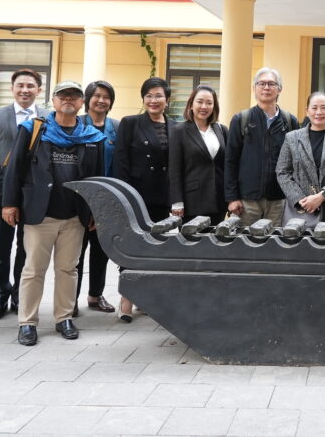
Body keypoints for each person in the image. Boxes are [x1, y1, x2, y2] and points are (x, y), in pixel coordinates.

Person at [2, 81, 105, 346]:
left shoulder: (92, 137)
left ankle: (64, 318)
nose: (68, 99)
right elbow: (15, 168)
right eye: (63, 95)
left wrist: (95, 211)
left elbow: (97, 178)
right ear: (53, 100)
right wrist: (9, 203)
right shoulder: (33, 130)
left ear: (81, 102)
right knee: (33, 270)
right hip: (40, 214)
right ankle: (27, 322)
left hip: (74, 216)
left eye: (74, 96)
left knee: (68, 269)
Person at [0, 68, 45, 321]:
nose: (25, 90)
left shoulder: (47, 117)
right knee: (0, 247)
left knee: (27, 247)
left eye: (30, 86)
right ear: (12, 89)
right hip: (2, 191)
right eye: (20, 85)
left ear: (39, 90)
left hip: (33, 192)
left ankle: (20, 295)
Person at [113, 77, 173, 322]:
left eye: (158, 96)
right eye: (148, 95)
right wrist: (123, 195)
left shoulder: (176, 126)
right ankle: (126, 299)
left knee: (155, 248)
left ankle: (145, 298)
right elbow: (120, 161)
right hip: (137, 196)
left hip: (163, 197)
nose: (153, 100)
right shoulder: (131, 123)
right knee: (133, 246)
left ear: (167, 100)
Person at [224, 68, 300, 228]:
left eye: (271, 84)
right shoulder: (241, 119)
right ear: (254, 88)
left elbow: (295, 162)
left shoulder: (290, 121)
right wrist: (232, 197)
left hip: (279, 199)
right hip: (247, 200)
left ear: (279, 89)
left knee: (275, 241)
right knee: (245, 240)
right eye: (262, 83)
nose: (266, 87)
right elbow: (231, 160)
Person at [276, 91, 325, 229]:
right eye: (314, 108)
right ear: (307, 111)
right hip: (301, 209)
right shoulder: (292, 138)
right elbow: (282, 171)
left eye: (324, 107)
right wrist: (300, 199)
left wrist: (322, 195)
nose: (319, 112)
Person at [73, 80, 119, 317]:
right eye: (97, 96)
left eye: (106, 97)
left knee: (101, 250)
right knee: (75, 252)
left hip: (107, 199)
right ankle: (70, 298)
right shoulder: (76, 124)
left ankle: (95, 295)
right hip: (79, 200)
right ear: (87, 99)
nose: (101, 100)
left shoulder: (116, 127)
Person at [169, 85, 228, 222]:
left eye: (209, 103)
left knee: (217, 236)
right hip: (192, 202)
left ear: (214, 106)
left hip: (219, 201)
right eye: (200, 101)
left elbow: (228, 165)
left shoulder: (222, 130)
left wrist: (231, 197)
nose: (204, 106)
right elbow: (174, 170)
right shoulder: (179, 131)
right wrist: (177, 202)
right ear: (191, 104)